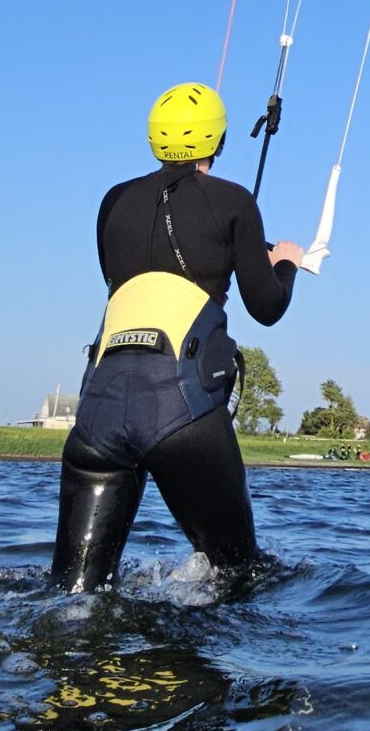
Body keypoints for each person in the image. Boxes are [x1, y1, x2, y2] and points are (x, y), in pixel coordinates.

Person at [50, 82, 304, 591]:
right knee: (240, 577)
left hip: (98, 411)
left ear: (153, 140)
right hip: (181, 411)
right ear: (219, 140)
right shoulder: (235, 203)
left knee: (72, 596)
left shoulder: (112, 202)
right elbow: (267, 307)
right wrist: (286, 265)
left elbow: (118, 278)